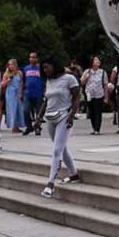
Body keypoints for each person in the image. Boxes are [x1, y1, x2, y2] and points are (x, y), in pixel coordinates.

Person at [40, 57, 81, 197]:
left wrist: (71, 116)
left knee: (57, 150)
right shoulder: (49, 80)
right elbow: (47, 100)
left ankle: (50, 184)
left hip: (64, 117)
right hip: (50, 118)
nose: (45, 70)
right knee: (62, 148)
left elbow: (77, 98)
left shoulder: (69, 79)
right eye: (43, 68)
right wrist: (38, 118)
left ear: (54, 65)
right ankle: (74, 174)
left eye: (47, 67)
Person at [81, 57, 106, 135]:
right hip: (89, 94)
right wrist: (86, 77)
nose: (98, 61)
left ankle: (97, 129)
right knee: (91, 112)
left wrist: (106, 96)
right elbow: (82, 82)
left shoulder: (102, 72)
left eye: (98, 60)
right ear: (92, 63)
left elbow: (105, 84)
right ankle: (94, 127)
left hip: (99, 94)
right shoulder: (87, 71)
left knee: (98, 111)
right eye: (96, 60)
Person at [21, 51, 45, 136]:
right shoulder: (26, 69)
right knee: (25, 111)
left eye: (34, 57)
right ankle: (29, 126)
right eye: (30, 57)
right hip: (28, 93)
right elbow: (23, 81)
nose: (31, 59)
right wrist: (21, 93)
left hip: (38, 93)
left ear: (37, 59)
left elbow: (45, 80)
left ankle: (37, 127)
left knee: (38, 112)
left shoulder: (41, 69)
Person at [1, 59, 25, 133]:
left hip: (17, 92)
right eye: (9, 64)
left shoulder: (19, 73)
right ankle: (13, 127)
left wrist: (21, 92)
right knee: (12, 109)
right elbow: (2, 84)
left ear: (15, 65)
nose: (10, 66)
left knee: (19, 109)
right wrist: (8, 80)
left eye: (12, 64)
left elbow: (21, 83)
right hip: (10, 92)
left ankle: (17, 126)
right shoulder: (6, 73)